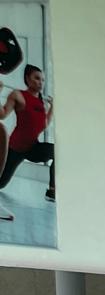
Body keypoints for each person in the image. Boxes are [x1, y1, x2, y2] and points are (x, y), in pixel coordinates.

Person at [0, 65, 54, 204]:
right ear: (27, 79)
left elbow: (44, 124)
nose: (40, 82)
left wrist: (53, 107)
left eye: (42, 79)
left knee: (57, 152)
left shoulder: (42, 102)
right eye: (36, 78)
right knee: (1, 183)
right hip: (14, 149)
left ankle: (52, 190)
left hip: (32, 148)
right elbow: (3, 114)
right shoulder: (18, 95)